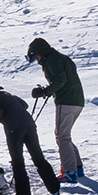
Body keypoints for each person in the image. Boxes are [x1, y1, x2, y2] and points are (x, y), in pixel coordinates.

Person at [0, 78, 60, 195]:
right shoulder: (5, 93)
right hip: (29, 123)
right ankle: (54, 187)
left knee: (17, 161)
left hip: (14, 128)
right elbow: (25, 105)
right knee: (38, 157)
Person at [27, 37, 87, 183]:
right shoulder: (60, 58)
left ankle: (69, 172)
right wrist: (47, 90)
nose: (36, 60)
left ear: (41, 52)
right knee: (64, 135)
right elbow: (63, 79)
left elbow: (60, 81)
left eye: (35, 56)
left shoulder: (52, 60)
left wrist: (45, 92)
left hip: (66, 101)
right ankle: (76, 167)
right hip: (77, 101)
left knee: (62, 136)